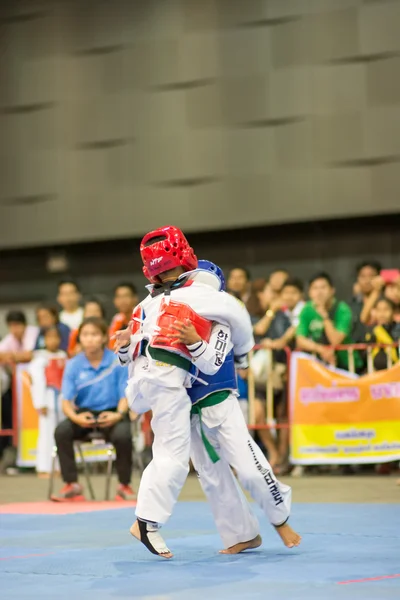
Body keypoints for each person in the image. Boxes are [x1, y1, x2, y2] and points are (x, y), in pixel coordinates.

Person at [113, 225, 254, 559]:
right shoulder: (199, 291)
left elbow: (127, 350)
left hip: (146, 384)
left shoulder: (144, 304)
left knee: (191, 458)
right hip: (169, 383)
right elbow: (238, 320)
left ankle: (240, 532)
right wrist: (244, 353)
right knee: (177, 459)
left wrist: (123, 347)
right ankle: (146, 522)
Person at [187, 261, 300, 554]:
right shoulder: (171, 316)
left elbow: (240, 352)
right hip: (188, 411)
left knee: (250, 470)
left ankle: (280, 520)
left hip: (221, 404)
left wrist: (198, 344)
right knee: (213, 478)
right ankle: (242, 534)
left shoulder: (226, 318)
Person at [52, 317, 134, 502]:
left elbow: (125, 394)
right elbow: (66, 400)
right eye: (86, 335)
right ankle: (72, 484)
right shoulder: (73, 364)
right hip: (84, 414)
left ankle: (124, 485)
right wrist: (76, 418)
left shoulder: (117, 360)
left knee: (123, 435)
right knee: (62, 431)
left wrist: (118, 414)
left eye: (95, 334)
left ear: (104, 337)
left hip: (113, 412)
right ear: (79, 338)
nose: (90, 339)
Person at [296, 272, 361, 371]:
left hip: (346, 364)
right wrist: (321, 349)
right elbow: (300, 340)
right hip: (319, 364)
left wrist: (325, 317)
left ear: (332, 290)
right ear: (309, 292)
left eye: (323, 287)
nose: (319, 292)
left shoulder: (342, 309)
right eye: (315, 288)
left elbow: (335, 341)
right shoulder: (307, 309)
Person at [0, 311, 39, 461]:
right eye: (11, 326)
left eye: (17, 325)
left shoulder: (33, 333)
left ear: (24, 325)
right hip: (18, 388)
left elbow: (29, 355)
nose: (15, 329)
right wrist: (16, 356)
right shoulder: (10, 338)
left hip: (34, 383)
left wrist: (13, 356)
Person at [28, 326, 67, 476]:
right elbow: (37, 382)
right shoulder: (40, 358)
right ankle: (44, 467)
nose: (53, 340)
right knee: (46, 433)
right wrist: (40, 403)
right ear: (43, 340)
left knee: (61, 433)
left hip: (62, 397)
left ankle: (59, 467)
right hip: (48, 397)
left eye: (56, 337)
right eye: (49, 337)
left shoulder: (63, 356)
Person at [362, 298, 400, 370]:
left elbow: (396, 355)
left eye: (386, 310)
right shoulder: (370, 331)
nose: (382, 314)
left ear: (393, 311)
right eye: (379, 310)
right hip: (375, 374)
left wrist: (380, 332)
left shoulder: (397, 329)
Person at [109, 283, 139, 349]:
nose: (122, 300)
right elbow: (112, 345)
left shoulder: (141, 316)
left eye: (126, 296)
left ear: (135, 298)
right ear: (115, 301)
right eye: (119, 297)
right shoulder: (117, 318)